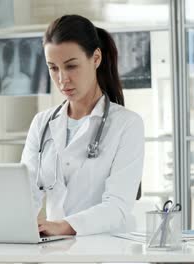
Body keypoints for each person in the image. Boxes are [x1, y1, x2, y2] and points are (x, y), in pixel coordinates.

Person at [21, 14, 145, 236]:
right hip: (57, 252)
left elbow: (118, 207)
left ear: (96, 58)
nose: (62, 79)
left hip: (109, 252)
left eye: (71, 66)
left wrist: (63, 226)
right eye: (53, 68)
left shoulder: (127, 124)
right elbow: (25, 196)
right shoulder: (42, 124)